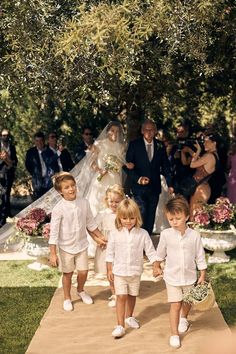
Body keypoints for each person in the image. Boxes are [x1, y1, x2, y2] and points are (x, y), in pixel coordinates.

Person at [48, 172, 107, 311]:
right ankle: (67, 298)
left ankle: (80, 290)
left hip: (81, 245)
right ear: (60, 191)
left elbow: (90, 223)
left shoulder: (84, 203)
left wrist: (101, 236)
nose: (71, 189)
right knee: (67, 273)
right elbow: (54, 233)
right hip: (66, 247)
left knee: (84, 271)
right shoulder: (58, 209)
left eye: (73, 185)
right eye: (67, 187)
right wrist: (53, 253)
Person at [156, 195, 207, 349]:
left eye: (177, 218)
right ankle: (174, 334)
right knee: (175, 304)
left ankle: (184, 318)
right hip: (171, 277)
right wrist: (156, 265)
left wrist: (202, 273)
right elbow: (160, 253)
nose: (174, 222)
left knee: (187, 301)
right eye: (171, 219)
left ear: (186, 216)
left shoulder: (194, 235)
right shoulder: (166, 234)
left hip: (190, 276)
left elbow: (200, 255)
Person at [106, 198, 159, 338]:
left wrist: (156, 265)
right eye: (124, 218)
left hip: (135, 272)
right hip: (119, 272)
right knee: (121, 296)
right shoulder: (114, 234)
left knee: (132, 295)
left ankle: (129, 317)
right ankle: (120, 326)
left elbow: (151, 251)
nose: (128, 221)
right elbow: (109, 254)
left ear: (137, 217)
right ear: (119, 218)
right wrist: (109, 270)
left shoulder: (143, 234)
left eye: (131, 218)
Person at [124, 119, 173, 235]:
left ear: (155, 131)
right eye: (146, 129)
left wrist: (170, 184)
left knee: (150, 217)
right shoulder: (134, 145)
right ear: (142, 131)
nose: (149, 132)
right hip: (138, 189)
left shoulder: (160, 145)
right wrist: (138, 179)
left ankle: (147, 244)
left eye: (151, 129)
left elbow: (166, 166)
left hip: (154, 188)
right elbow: (127, 167)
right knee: (141, 215)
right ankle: (138, 242)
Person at [93, 184, 125, 307]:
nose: (114, 204)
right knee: (110, 271)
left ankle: (123, 291)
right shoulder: (102, 213)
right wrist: (99, 239)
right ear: (107, 200)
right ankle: (115, 294)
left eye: (117, 201)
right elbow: (93, 227)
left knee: (120, 270)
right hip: (107, 245)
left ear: (122, 200)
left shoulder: (123, 213)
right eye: (111, 201)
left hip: (121, 246)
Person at [180, 133, 220, 220]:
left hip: (200, 188)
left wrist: (198, 150)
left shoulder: (209, 156)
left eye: (207, 142)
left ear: (214, 143)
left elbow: (192, 165)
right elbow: (198, 163)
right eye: (204, 142)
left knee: (194, 217)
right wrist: (191, 151)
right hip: (202, 187)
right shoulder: (214, 155)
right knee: (197, 217)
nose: (204, 144)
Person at [0, 129, 18, 223]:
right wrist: (3, 159)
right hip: (1, 174)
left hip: (10, 173)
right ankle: (3, 216)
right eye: (3, 135)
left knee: (7, 193)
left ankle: (7, 214)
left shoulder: (12, 147)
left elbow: (15, 160)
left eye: (7, 135)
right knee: (3, 194)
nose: (5, 137)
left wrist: (10, 162)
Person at [25, 131, 49, 200]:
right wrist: (35, 174)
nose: (39, 143)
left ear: (44, 141)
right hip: (37, 180)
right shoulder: (30, 152)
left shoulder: (49, 149)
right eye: (37, 141)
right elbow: (28, 165)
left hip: (49, 179)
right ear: (34, 142)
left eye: (41, 140)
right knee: (40, 200)